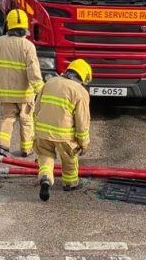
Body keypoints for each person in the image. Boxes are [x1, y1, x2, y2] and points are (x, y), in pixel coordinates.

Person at [0, 9, 43, 157]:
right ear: (24, 28)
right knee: (26, 121)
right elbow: (33, 71)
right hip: (25, 95)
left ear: (8, 26)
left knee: (7, 119)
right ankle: (26, 149)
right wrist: (40, 90)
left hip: (5, 94)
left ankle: (2, 147)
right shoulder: (28, 46)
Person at [34, 59, 92, 201]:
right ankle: (70, 184)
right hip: (64, 136)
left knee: (45, 157)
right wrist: (83, 143)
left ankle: (46, 178)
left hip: (42, 132)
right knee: (69, 160)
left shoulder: (50, 82)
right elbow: (82, 121)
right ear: (83, 77)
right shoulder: (80, 92)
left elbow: (37, 107)